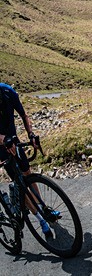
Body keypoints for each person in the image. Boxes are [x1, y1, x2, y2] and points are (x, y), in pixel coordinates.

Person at [0, 82, 58, 238]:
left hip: (13, 140)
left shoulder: (7, 91)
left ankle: (42, 207)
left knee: (27, 175)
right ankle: (41, 220)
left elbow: (24, 115)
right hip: (1, 146)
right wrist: (2, 139)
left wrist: (31, 134)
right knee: (19, 181)